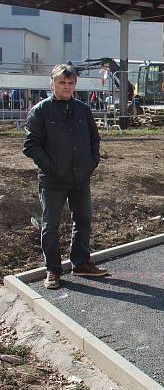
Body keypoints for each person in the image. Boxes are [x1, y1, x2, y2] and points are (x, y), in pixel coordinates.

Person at [23, 64, 110, 290]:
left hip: (80, 179)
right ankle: (53, 269)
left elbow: (94, 139)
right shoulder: (40, 111)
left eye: (71, 83)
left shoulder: (82, 110)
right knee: (50, 225)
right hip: (53, 181)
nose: (66, 87)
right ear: (52, 84)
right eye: (62, 83)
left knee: (83, 222)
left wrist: (91, 162)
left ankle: (80, 262)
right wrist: (51, 167)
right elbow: (31, 145)